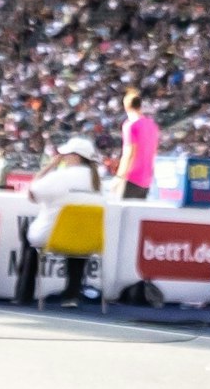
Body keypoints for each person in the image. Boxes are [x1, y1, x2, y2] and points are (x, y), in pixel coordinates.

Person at [14, 137, 105, 306]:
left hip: (52, 236)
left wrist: (50, 165)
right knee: (78, 241)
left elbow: (32, 194)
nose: (63, 157)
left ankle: (23, 294)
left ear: (75, 157)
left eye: (66, 155)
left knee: (29, 236)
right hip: (87, 240)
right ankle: (71, 295)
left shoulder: (60, 176)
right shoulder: (98, 183)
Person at [117, 88, 159, 201]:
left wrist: (119, 176)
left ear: (126, 106)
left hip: (131, 177)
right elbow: (154, 151)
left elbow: (129, 153)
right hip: (146, 179)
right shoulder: (152, 125)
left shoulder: (130, 125)